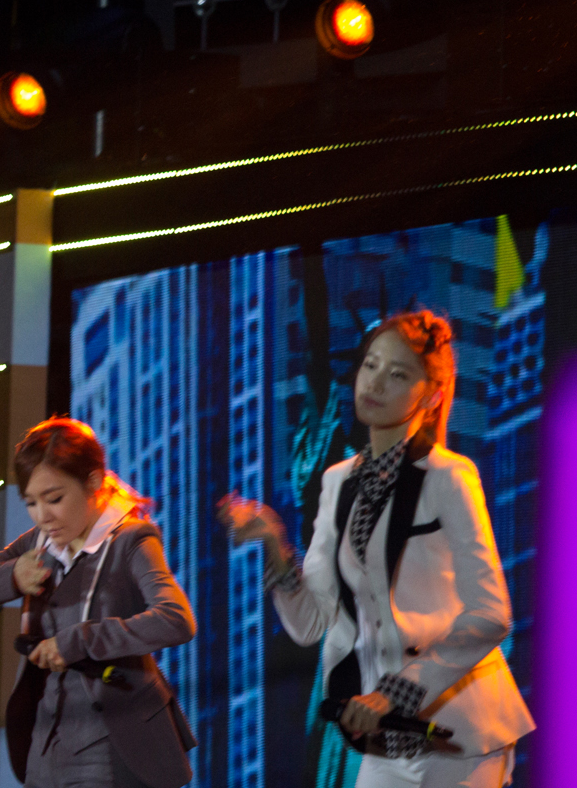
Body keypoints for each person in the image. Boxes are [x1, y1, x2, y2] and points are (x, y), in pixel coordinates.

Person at [218, 311, 534, 787]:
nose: (375, 382)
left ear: (431, 395)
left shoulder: (450, 476)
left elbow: (491, 615)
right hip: (384, 736)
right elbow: (311, 624)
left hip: (459, 730)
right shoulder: (336, 482)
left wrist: (397, 692)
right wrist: (274, 544)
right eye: (370, 365)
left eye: (398, 374)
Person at [0, 417, 197, 788]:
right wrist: (13, 576)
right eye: (31, 502)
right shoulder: (40, 541)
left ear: (93, 482)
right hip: (44, 742)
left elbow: (175, 619)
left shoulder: (131, 539)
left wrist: (81, 640)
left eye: (54, 499)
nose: (43, 516)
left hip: (111, 738)